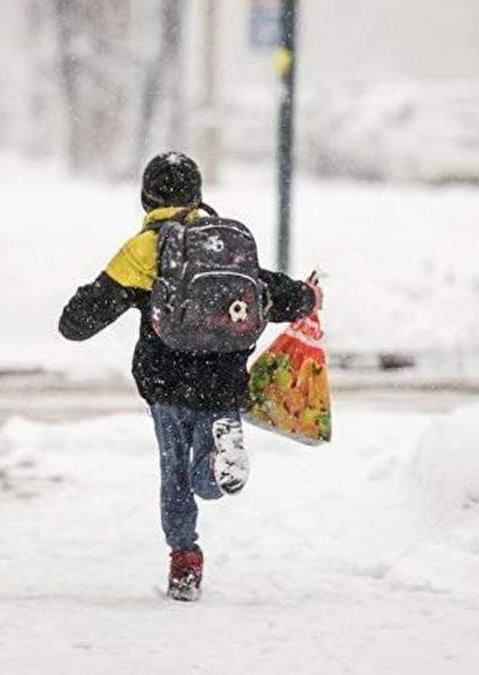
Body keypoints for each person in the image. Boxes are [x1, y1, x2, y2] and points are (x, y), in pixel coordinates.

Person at [58, 150, 320, 601]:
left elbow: (79, 321)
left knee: (174, 474)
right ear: (198, 194)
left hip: (168, 380)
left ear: (147, 197)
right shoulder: (225, 242)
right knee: (206, 476)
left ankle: (184, 564)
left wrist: (83, 307)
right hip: (223, 379)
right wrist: (307, 296)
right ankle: (219, 464)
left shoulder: (145, 248)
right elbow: (268, 289)